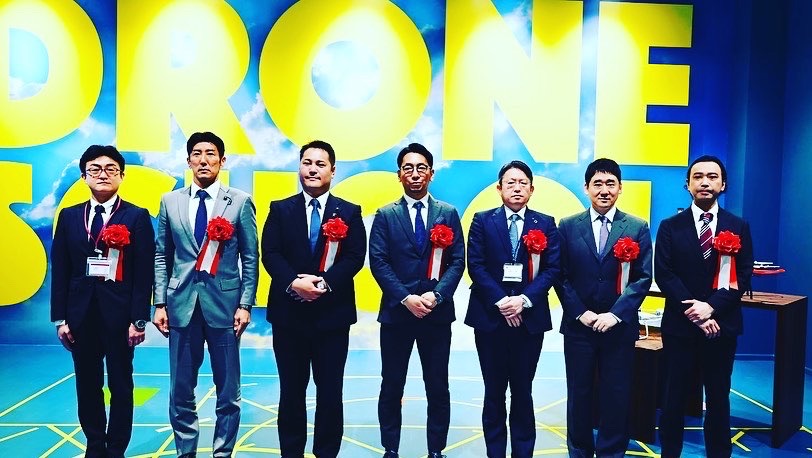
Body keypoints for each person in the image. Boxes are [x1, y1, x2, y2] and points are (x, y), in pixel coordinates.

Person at [153, 131, 259, 458]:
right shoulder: (170, 201)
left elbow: (250, 257)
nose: (203, 160)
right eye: (197, 154)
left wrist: (245, 304)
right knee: (180, 391)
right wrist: (159, 302)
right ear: (188, 161)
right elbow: (162, 255)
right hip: (180, 306)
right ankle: (186, 453)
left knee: (228, 392)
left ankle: (222, 453)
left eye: (210, 153)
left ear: (222, 160)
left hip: (225, 309)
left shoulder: (239, 201)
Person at [261, 140, 366, 457]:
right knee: (291, 392)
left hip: (332, 318)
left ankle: (326, 452)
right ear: (299, 167)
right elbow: (271, 254)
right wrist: (295, 283)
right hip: (289, 317)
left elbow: (354, 257)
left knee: (330, 392)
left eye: (320, 164)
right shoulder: (280, 209)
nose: (312, 169)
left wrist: (323, 284)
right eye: (307, 162)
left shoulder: (349, 212)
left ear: (332, 170)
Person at [50, 145, 155, 458]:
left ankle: (116, 448)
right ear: (84, 176)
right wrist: (60, 319)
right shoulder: (69, 217)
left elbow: (144, 273)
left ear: (122, 176)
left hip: (120, 318)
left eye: (111, 169)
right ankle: (95, 445)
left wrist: (139, 319)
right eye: (95, 169)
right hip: (80, 316)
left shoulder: (136, 216)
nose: (103, 174)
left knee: (121, 384)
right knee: (87, 383)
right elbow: (61, 269)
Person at [369, 143, 465, 458]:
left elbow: (457, 261)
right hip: (397, 315)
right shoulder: (386, 215)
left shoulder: (448, 213)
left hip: (436, 315)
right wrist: (406, 297)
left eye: (421, 167)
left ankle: (436, 449)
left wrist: (437, 295)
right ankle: (390, 448)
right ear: (399, 174)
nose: (414, 174)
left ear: (431, 173)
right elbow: (379, 262)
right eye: (408, 168)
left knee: (437, 385)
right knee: (391, 384)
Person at [655, 155, 753, 458]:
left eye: (712, 177)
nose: (705, 182)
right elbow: (665, 274)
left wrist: (710, 308)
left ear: (723, 184)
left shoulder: (738, 226)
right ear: (687, 185)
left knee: (718, 398)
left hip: (721, 327)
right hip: (680, 328)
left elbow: (743, 275)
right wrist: (696, 313)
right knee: (673, 398)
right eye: (698, 177)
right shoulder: (670, 227)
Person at [554, 158, 652, 458]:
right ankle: (579, 450)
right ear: (586, 188)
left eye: (611, 183)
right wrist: (581, 312)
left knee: (617, 393)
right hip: (579, 328)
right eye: (597, 183)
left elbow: (642, 278)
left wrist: (615, 315)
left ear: (620, 188)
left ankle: (611, 451)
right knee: (579, 393)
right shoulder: (568, 226)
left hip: (618, 329)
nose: (604, 190)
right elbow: (560, 275)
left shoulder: (636, 227)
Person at [464, 160, 561, 458]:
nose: (517, 188)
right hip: (490, 320)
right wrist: (502, 302)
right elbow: (476, 265)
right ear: (499, 188)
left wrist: (523, 301)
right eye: (510, 183)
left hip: (529, 321)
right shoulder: (482, 220)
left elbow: (552, 269)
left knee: (522, 391)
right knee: (493, 392)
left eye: (523, 183)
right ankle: (495, 452)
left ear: (532, 189)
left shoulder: (546, 223)